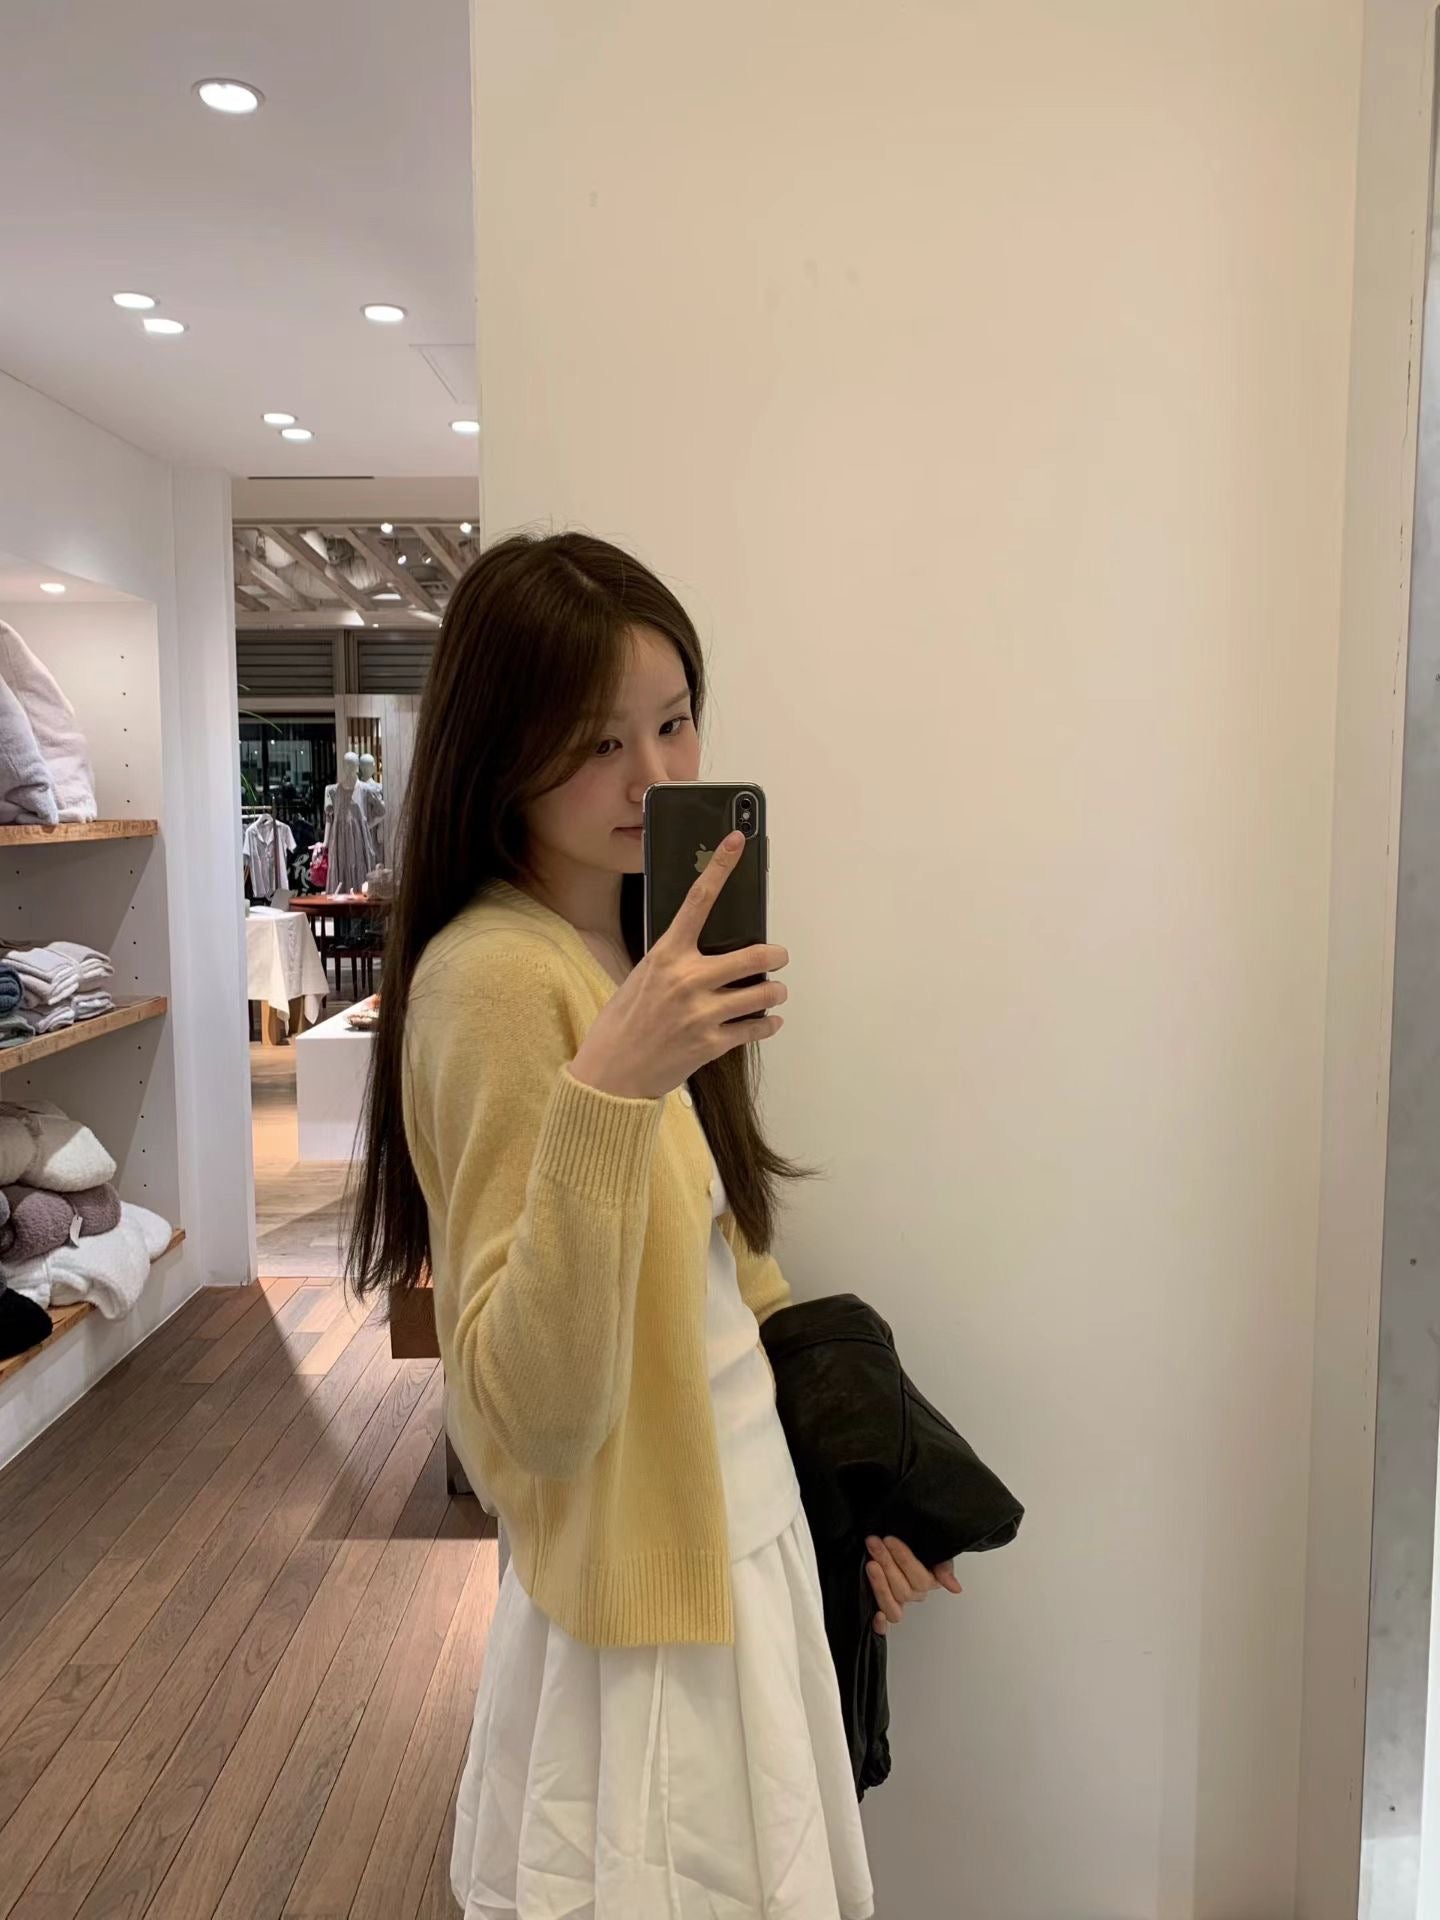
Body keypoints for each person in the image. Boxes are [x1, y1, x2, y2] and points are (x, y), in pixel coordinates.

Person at [349, 531, 962, 1919]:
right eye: (598, 741)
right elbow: (535, 1415)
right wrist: (612, 1090)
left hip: (736, 1540)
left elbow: (723, 1266)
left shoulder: (637, 948)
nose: (654, 778)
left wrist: (853, 1485)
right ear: (502, 753)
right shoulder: (498, 981)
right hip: (647, 1617)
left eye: (675, 722)